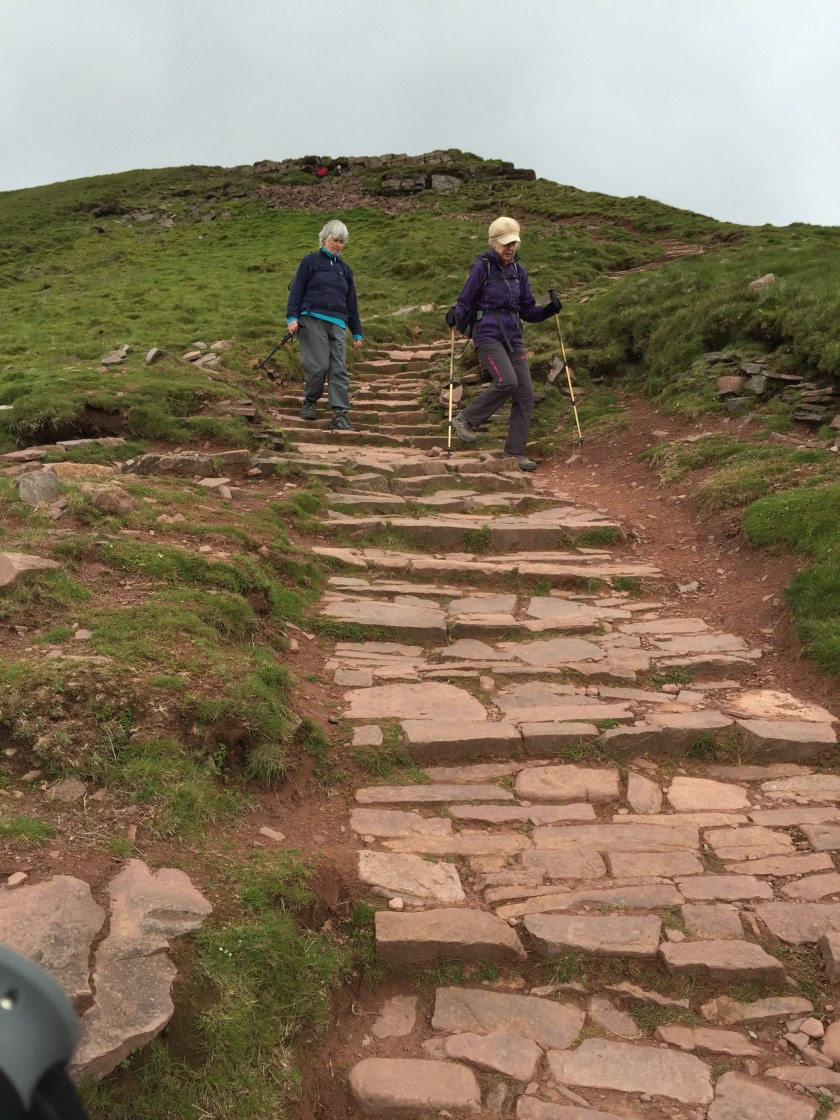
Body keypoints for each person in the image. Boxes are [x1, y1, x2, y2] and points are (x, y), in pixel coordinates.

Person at [446, 216, 561, 470]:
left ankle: (515, 453)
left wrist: (548, 310)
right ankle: (465, 419)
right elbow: (465, 299)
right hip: (487, 335)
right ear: (494, 242)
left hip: (514, 337)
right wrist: (455, 313)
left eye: (514, 243)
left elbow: (528, 311)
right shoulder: (483, 267)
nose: (510, 248)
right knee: (507, 381)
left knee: (525, 393)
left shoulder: (519, 272)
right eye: (506, 243)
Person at [286, 219, 363, 430]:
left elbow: (351, 303)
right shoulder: (310, 262)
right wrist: (292, 318)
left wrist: (357, 332)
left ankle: (340, 413)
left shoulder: (345, 270)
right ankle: (310, 400)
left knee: (339, 369)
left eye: (341, 242)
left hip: (338, 322)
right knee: (318, 366)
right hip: (312, 319)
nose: (338, 245)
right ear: (324, 239)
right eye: (334, 240)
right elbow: (297, 291)